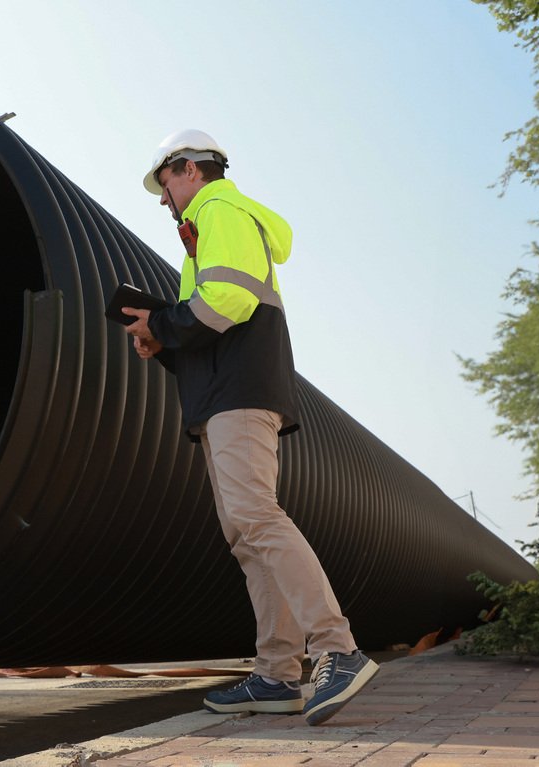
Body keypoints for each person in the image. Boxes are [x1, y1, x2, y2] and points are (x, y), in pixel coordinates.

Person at [120, 129, 377, 726]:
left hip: (238, 394)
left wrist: (164, 323)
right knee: (246, 534)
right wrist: (161, 340)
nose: (164, 199)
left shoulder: (220, 210)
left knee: (256, 517)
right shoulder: (205, 228)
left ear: (189, 169)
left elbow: (228, 301)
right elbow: (215, 323)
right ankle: (277, 675)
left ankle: (337, 649)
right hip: (223, 393)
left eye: (164, 184)